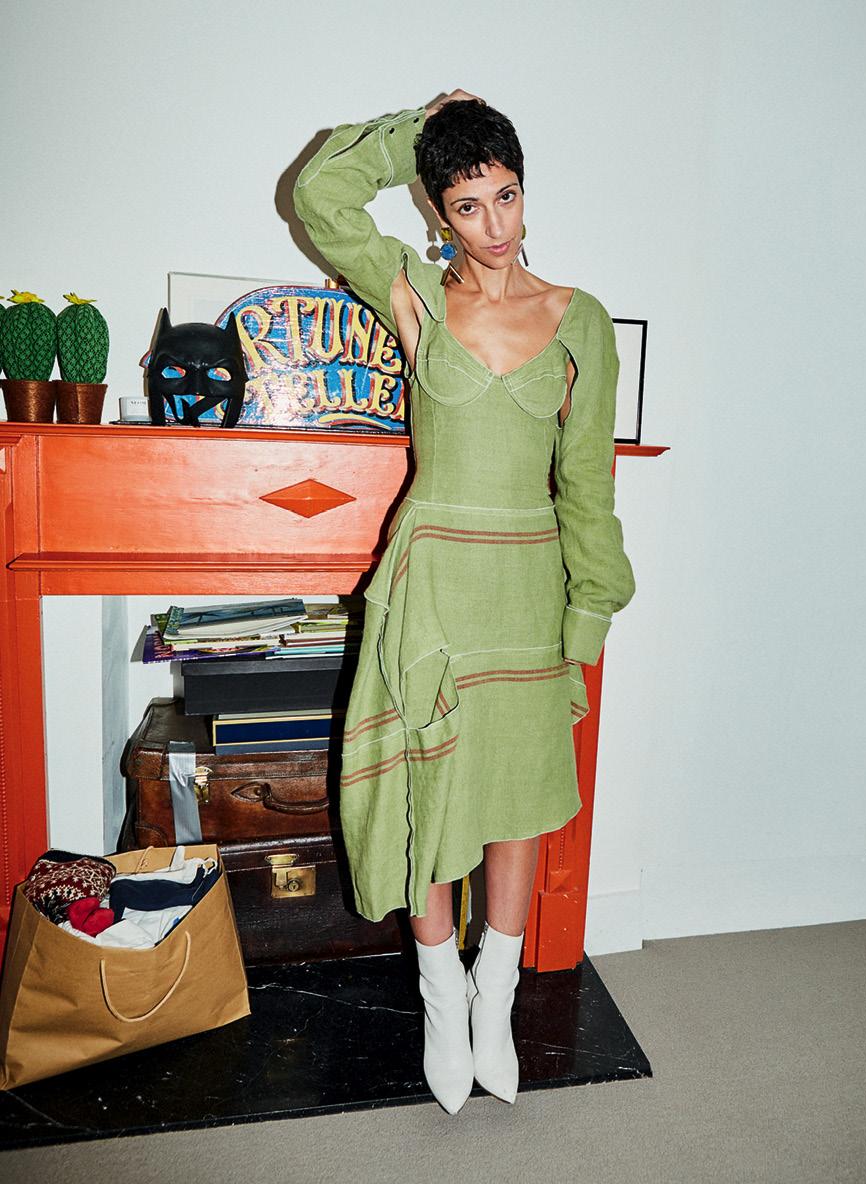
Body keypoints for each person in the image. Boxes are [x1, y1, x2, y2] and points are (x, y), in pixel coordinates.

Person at [292, 90, 635, 1114]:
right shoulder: (416, 298)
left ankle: (498, 993)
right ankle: (441, 993)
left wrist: (588, 615)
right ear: (438, 213)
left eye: (507, 196)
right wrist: (421, 126)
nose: (495, 225)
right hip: (434, 579)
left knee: (520, 796)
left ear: (526, 192)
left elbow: (588, 488)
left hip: (527, 583)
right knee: (433, 796)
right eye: (469, 205)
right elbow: (320, 195)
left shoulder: (580, 320)